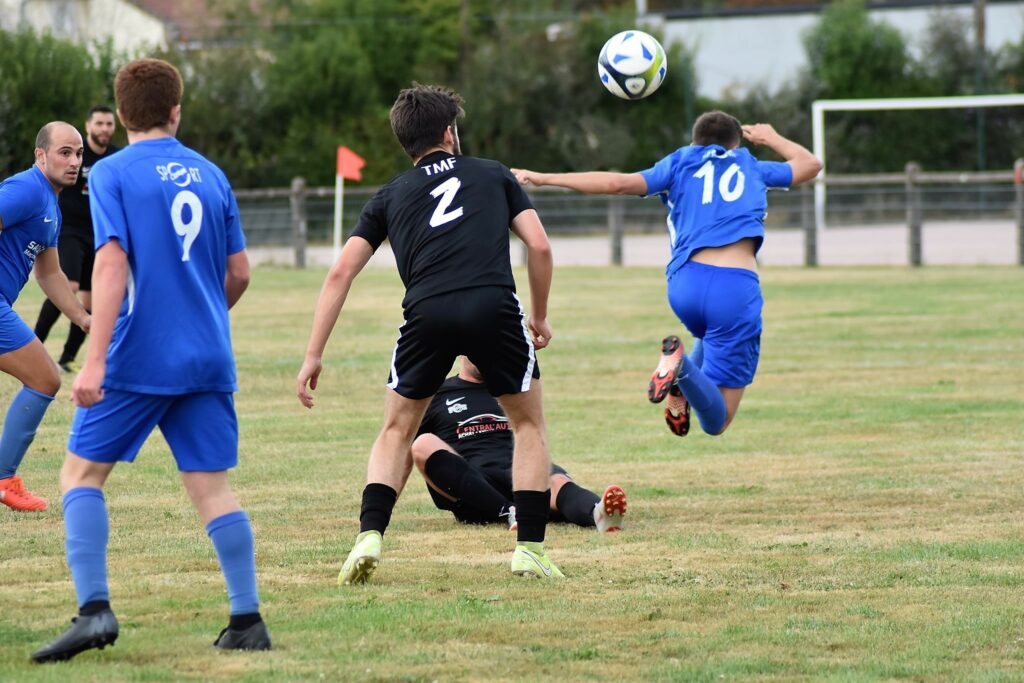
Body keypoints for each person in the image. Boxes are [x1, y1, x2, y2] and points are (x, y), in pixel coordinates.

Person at [33, 58, 269, 664]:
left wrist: (94, 362)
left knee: (80, 477)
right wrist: (204, 318)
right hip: (207, 355)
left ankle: (94, 612)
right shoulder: (212, 175)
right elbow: (238, 272)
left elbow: (109, 263)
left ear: (122, 113)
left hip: (139, 355)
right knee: (212, 489)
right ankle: (246, 619)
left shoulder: (111, 173)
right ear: (175, 111)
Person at [296, 84, 563, 582]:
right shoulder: (493, 174)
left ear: (406, 142)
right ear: (448, 132)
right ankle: (528, 548)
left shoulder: (390, 194)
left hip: (427, 309)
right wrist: (540, 317)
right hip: (492, 303)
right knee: (528, 426)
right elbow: (540, 247)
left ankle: (369, 536)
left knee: (397, 429)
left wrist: (313, 354)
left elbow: (339, 274)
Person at [514, 112, 821, 438]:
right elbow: (811, 165)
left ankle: (679, 386)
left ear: (694, 141)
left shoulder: (679, 162)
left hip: (685, 285)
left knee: (709, 335)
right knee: (717, 421)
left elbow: (616, 183)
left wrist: (543, 177)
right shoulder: (751, 166)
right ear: (737, 143)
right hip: (734, 288)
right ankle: (680, 369)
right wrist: (770, 137)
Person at [413, 357, 627, 533]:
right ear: (461, 352)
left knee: (556, 480)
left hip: (520, 470)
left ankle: (598, 513)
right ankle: (509, 512)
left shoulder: (512, 389)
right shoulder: (438, 394)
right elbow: (409, 449)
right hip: (474, 482)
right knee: (422, 444)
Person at [0, 122, 91, 513]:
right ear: (41, 156)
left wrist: (85, 319)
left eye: (79, 154)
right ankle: (4, 478)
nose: (74, 162)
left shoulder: (50, 203)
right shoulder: (25, 190)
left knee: (45, 378)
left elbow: (49, 273)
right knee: (45, 377)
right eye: (64, 153)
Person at [34, 105, 119, 372]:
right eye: (99, 123)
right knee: (67, 285)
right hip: (70, 231)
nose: (104, 129)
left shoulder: (117, 158)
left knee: (91, 301)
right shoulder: (75, 155)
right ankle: (35, 346)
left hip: (99, 235)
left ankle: (67, 358)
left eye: (109, 124)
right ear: (88, 125)